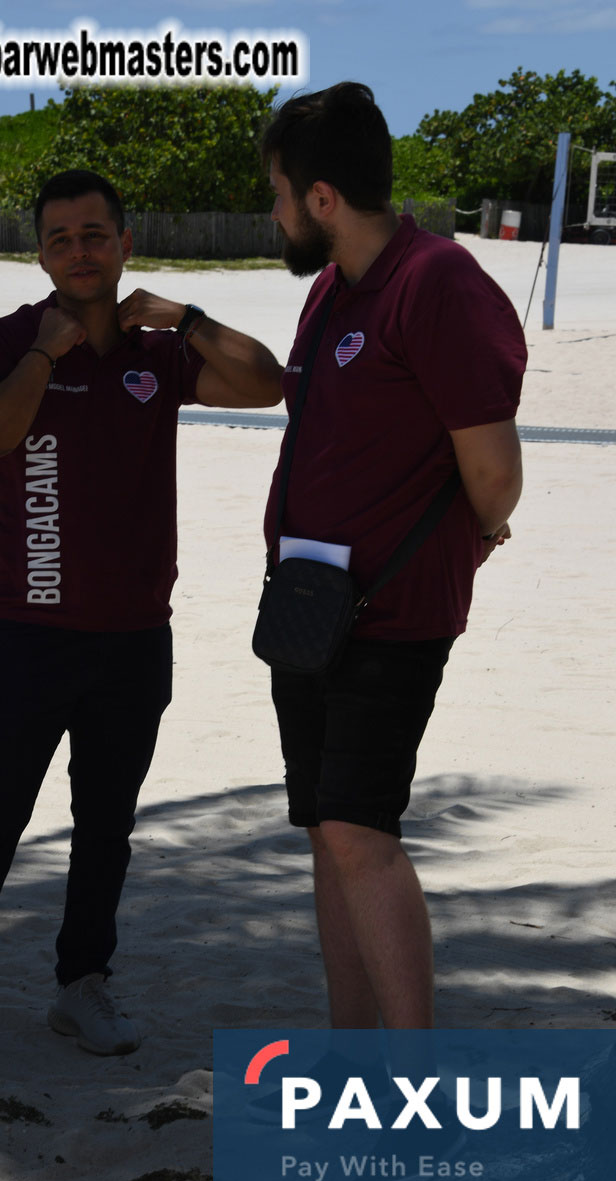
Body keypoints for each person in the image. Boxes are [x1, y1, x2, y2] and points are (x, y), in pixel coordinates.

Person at [0, 168, 283, 1087]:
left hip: (135, 637)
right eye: (60, 238)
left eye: (95, 234)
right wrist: (45, 358)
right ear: (42, 253)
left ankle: (81, 985)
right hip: (24, 632)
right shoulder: (1, 340)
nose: (79, 252)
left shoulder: (158, 352)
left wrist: (184, 317)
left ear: (125, 243)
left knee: (106, 827)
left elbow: (268, 383)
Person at [260, 84, 526, 1030]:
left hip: (391, 611)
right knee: (327, 837)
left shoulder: (440, 281)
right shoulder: (333, 290)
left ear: (323, 197)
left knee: (359, 833)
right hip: (307, 607)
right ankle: (352, 1054)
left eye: (282, 194)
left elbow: (493, 471)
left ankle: (410, 1085)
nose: (277, 213)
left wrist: (475, 535)